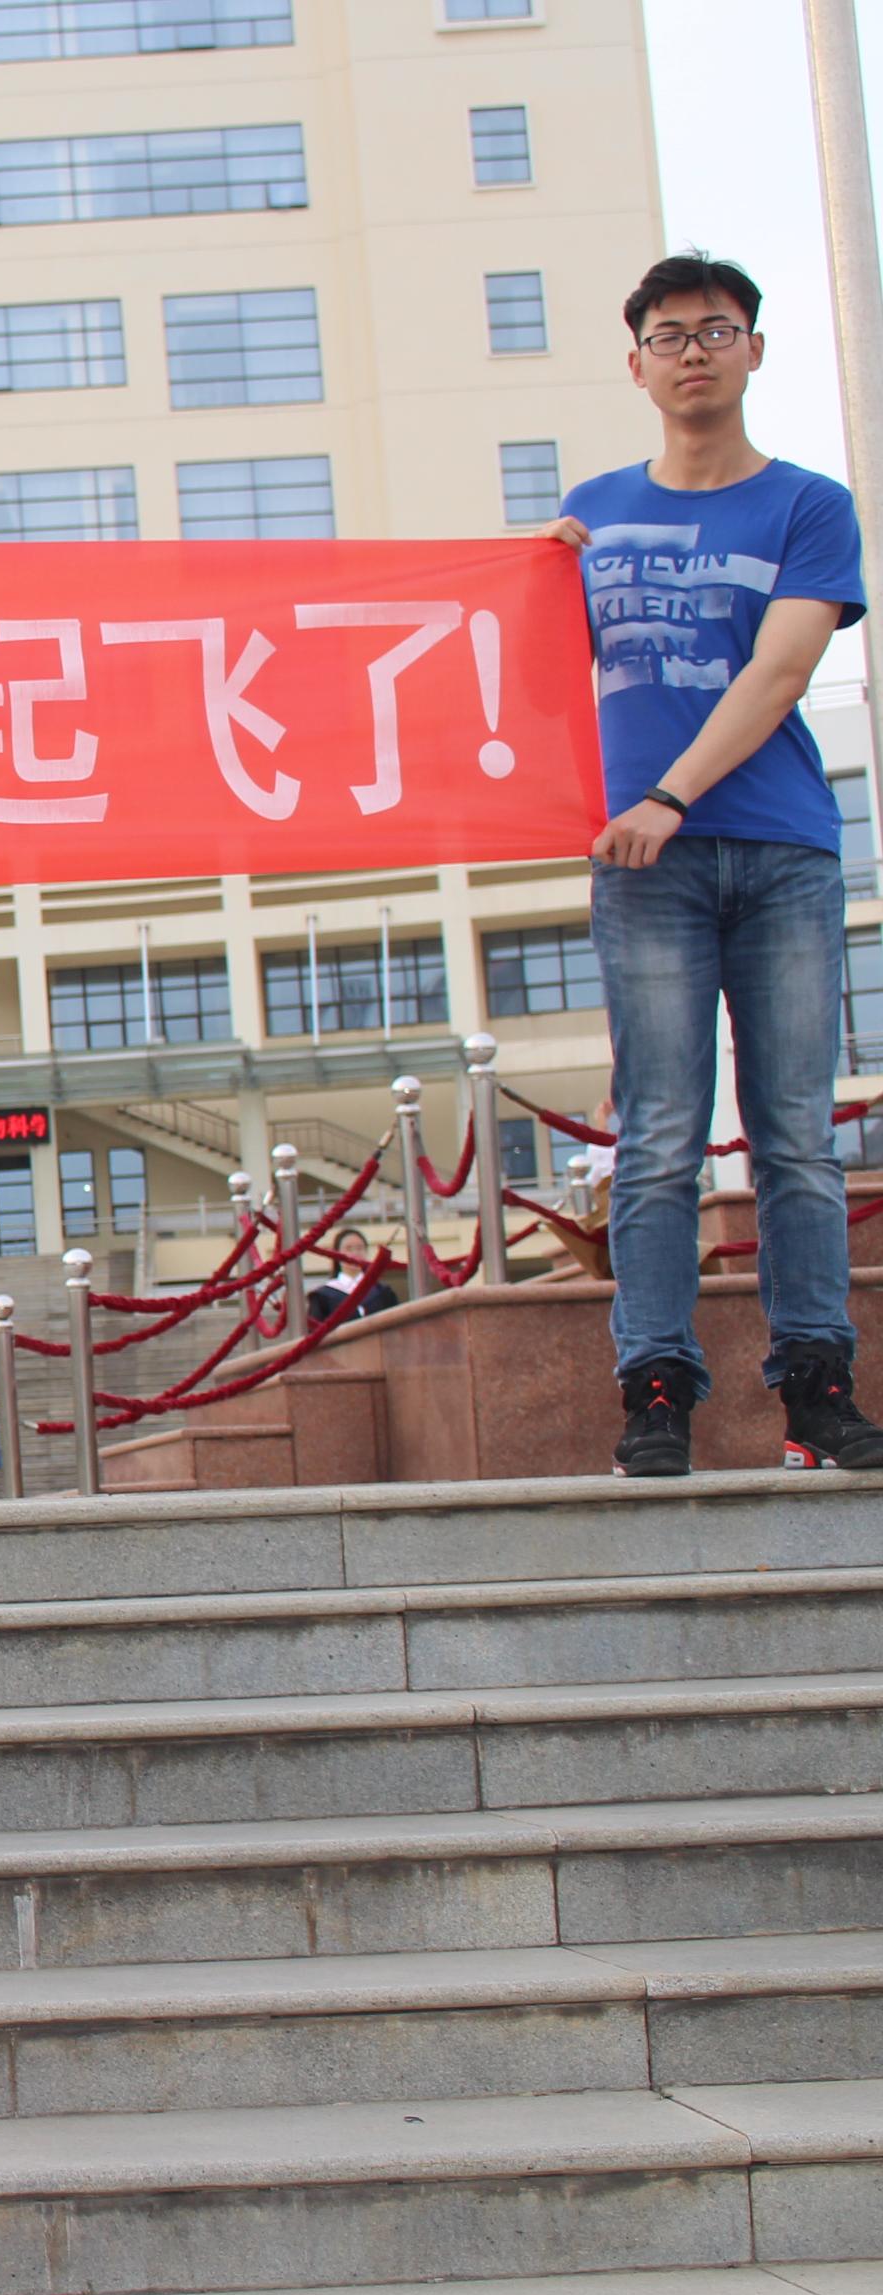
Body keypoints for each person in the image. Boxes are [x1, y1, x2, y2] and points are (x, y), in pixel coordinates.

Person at [543, 253, 883, 1477]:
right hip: (646, 870)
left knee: (795, 1136)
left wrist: (669, 797)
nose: (694, 351)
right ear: (636, 364)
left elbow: (781, 671)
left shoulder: (807, 505)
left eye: (717, 330)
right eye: (671, 335)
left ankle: (818, 1390)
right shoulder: (590, 515)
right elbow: (521, 667)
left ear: (754, 350)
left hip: (780, 850)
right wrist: (529, 579)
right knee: (659, 1138)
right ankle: (654, 1392)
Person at [306, 1230, 401, 1325]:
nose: (355, 1253)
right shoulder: (323, 1296)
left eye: (360, 1248)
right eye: (348, 1248)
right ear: (336, 1253)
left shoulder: (382, 1291)